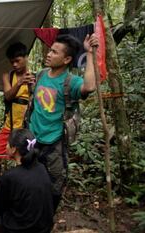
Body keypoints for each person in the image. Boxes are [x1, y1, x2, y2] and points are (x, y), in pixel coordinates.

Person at [29, 34, 98, 211]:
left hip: (54, 143)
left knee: (54, 184)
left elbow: (89, 87)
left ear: (67, 59)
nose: (49, 54)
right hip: (33, 139)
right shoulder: (41, 74)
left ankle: (46, 217)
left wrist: (89, 53)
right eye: (50, 50)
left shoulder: (71, 82)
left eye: (54, 52)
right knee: (30, 180)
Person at [0, 42, 35, 192]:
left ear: (26, 58)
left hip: (25, 127)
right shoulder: (8, 76)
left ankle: (22, 189)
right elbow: (8, 96)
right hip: (9, 125)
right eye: (12, 61)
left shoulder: (35, 75)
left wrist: (31, 85)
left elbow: (36, 100)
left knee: (23, 158)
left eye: (17, 60)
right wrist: (19, 83)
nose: (14, 64)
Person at [0, 128, 54, 233]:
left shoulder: (10, 176)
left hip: (19, 229)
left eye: (7, 143)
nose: (6, 146)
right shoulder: (42, 168)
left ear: (13, 149)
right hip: (44, 228)